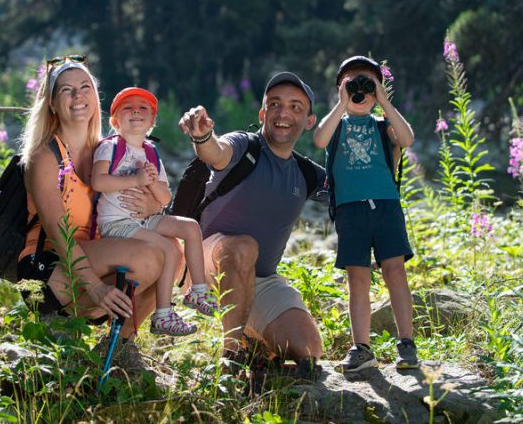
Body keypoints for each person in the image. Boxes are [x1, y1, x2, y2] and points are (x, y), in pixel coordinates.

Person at [18, 54, 173, 366]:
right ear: (51, 103)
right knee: (149, 256)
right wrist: (98, 288)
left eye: (84, 87)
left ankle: (119, 350)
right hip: (49, 269)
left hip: (95, 254)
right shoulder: (44, 157)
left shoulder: (107, 152)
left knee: (172, 252)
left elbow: (150, 205)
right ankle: (58, 321)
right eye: (66, 90)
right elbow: (59, 235)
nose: (78, 97)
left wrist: (151, 203)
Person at [177, 72, 327, 378]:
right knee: (244, 246)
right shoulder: (244, 146)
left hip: (259, 277)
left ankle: (256, 346)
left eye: (296, 107)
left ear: (310, 121)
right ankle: (231, 355)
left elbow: (357, 192)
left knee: (309, 350)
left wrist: (387, 147)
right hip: (203, 262)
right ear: (263, 113)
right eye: (275, 104)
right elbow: (215, 152)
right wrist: (202, 136)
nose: (284, 113)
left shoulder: (306, 173)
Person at [312, 55, 419, 372]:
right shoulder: (337, 125)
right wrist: (342, 103)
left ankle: (407, 343)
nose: (361, 90)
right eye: (352, 83)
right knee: (357, 279)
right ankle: (361, 347)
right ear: (341, 89)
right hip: (350, 209)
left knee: (395, 272)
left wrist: (383, 100)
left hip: (386, 205)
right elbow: (319, 139)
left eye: (367, 85)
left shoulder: (384, 125)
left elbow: (408, 139)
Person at [91, 87, 217, 337]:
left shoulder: (150, 151)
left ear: (151, 121)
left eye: (143, 108)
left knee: (190, 227)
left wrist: (149, 184)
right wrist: (136, 179)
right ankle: (163, 314)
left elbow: (165, 196)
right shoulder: (110, 147)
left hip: (143, 219)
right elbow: (98, 182)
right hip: (117, 223)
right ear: (114, 121)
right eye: (128, 107)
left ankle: (198, 290)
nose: (136, 110)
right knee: (169, 249)